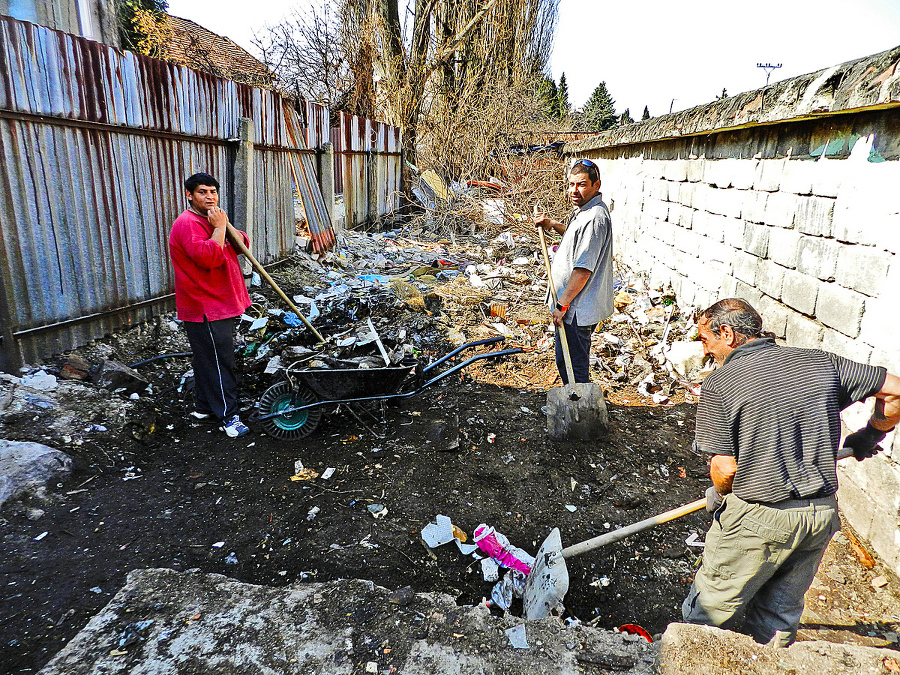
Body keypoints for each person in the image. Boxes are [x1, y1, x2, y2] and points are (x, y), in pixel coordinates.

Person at [682, 298, 900, 647]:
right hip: (820, 516)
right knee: (777, 617)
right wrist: (870, 434)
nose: (706, 351)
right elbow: (896, 390)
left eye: (706, 340)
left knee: (708, 613)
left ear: (727, 333)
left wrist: (721, 494)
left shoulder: (721, 383)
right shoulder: (821, 362)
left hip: (761, 518)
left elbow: (725, 468)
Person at [169, 173, 251, 438]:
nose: (210, 197)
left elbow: (242, 244)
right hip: (205, 305)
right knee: (219, 361)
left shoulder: (212, 219)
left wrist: (224, 226)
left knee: (207, 359)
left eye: (213, 192)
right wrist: (218, 229)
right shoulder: (187, 224)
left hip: (220, 302)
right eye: (202, 192)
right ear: (189, 195)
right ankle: (229, 417)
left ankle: (204, 407)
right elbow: (208, 258)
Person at [533, 158, 613, 384]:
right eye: (571, 184)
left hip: (576, 309)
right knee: (567, 360)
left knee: (572, 364)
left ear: (596, 186)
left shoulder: (595, 217)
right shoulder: (584, 211)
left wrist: (562, 304)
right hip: (573, 306)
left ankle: (578, 412)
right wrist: (552, 224)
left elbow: (583, 269)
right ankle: (574, 401)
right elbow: (574, 236)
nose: (574, 190)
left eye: (581, 184)